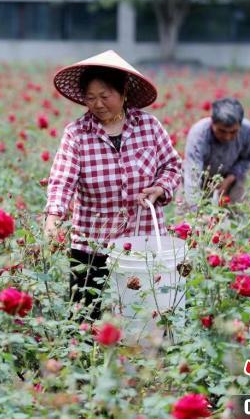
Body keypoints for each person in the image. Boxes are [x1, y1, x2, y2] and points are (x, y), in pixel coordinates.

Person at [44, 50, 182, 321]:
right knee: (83, 317)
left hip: (142, 240)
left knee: (143, 316)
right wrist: (53, 218)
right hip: (92, 243)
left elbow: (172, 166)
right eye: (91, 97)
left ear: (123, 93)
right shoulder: (77, 134)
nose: (97, 104)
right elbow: (62, 180)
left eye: (105, 96)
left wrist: (161, 188)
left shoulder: (149, 127)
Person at [183, 97, 250, 208]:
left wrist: (230, 179)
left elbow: (246, 159)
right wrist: (194, 212)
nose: (227, 136)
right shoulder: (199, 134)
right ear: (212, 122)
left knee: (236, 210)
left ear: (240, 125)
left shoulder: (247, 131)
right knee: (186, 214)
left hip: (230, 176)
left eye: (233, 132)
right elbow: (193, 175)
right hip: (200, 176)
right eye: (222, 131)